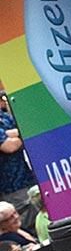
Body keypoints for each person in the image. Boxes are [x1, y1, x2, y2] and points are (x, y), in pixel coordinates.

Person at [0, 89, 37, 236]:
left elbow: (23, 126)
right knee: (25, 219)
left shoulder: (4, 117)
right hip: (11, 185)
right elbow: (8, 146)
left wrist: (15, 134)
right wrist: (25, 136)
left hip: (27, 175)